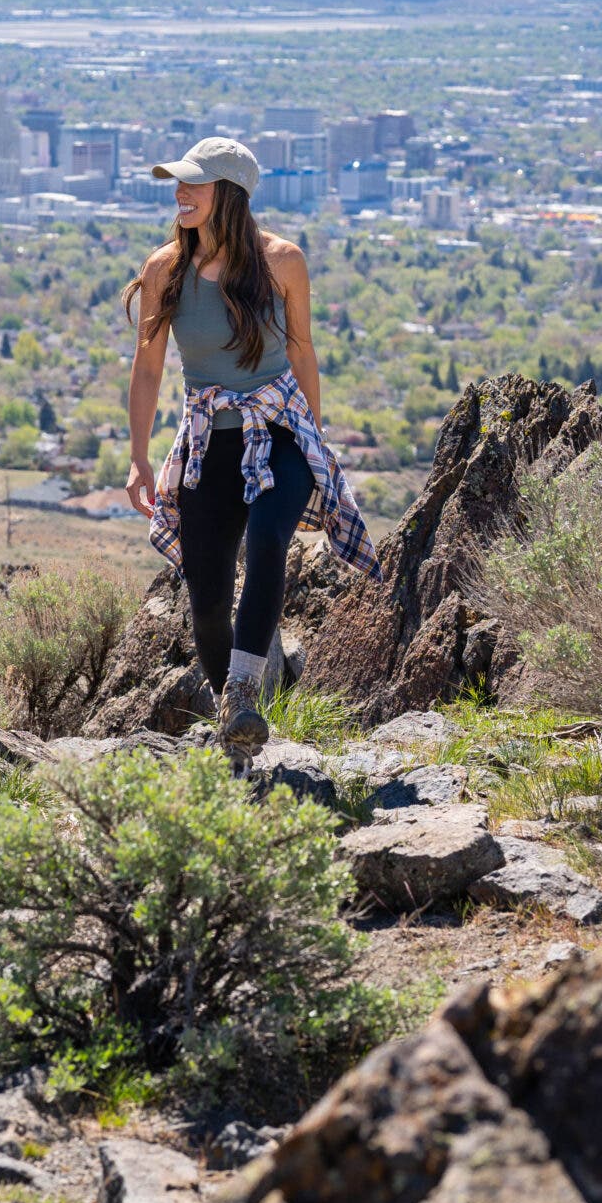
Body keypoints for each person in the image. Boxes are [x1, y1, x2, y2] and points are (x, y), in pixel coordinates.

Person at [123, 136, 378, 756]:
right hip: (209, 438)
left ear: (230, 194)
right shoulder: (165, 269)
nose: (180, 193)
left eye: (194, 183)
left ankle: (241, 693)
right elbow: (148, 368)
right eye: (178, 182)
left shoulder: (282, 261)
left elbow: (301, 352)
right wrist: (138, 459)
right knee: (206, 599)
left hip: (282, 431)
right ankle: (232, 721)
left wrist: (313, 443)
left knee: (267, 540)